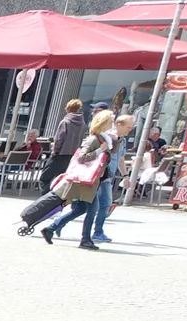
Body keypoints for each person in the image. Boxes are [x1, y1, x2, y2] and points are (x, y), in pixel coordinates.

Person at [42, 110, 115, 250]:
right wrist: (100, 150)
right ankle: (85, 239)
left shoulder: (105, 139)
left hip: (93, 181)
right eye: (110, 121)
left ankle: (51, 228)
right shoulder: (94, 139)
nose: (112, 123)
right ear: (103, 123)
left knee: (81, 209)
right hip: (87, 181)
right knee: (92, 209)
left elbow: (112, 150)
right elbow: (82, 156)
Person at [83, 113, 138, 244]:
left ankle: (56, 225)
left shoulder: (121, 140)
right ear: (119, 124)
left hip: (108, 176)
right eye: (128, 127)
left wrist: (125, 176)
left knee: (92, 206)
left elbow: (121, 159)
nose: (130, 130)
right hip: (101, 175)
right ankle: (97, 232)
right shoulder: (108, 139)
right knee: (104, 204)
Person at [41, 98, 86, 193]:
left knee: (45, 178)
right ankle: (57, 198)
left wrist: (54, 151)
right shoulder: (82, 124)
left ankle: (45, 198)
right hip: (73, 155)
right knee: (62, 179)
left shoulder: (65, 122)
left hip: (60, 154)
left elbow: (59, 139)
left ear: (68, 108)